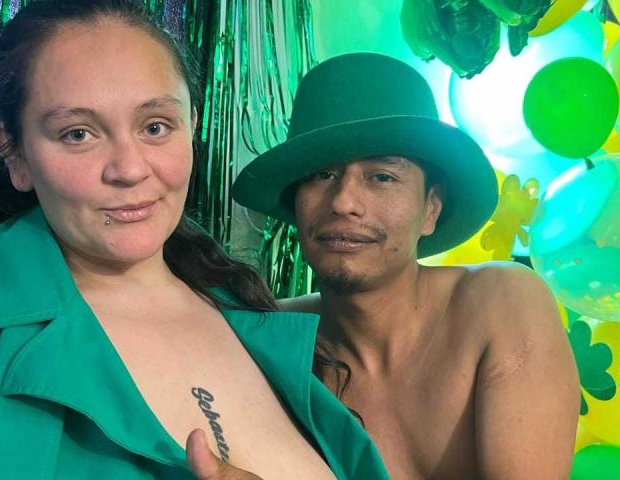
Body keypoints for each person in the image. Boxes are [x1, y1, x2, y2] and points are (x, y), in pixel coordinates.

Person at [0, 3, 391, 479]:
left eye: (155, 127)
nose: (130, 169)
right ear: (14, 153)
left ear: (192, 125)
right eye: (78, 134)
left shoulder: (241, 305)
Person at [233, 53, 581, 479]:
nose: (343, 202)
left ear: (431, 208)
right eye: (321, 175)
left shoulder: (501, 304)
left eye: (382, 176)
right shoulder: (268, 341)